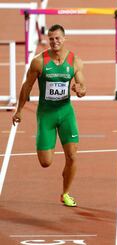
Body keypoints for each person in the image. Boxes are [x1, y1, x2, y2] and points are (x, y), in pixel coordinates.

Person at [12, 24, 86, 207]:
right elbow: (27, 86)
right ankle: (64, 168)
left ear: (64, 38)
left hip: (66, 113)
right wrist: (19, 110)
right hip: (46, 115)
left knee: (73, 157)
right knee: (46, 162)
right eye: (51, 38)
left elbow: (83, 87)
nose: (54, 42)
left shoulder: (75, 60)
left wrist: (80, 90)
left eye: (58, 38)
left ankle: (65, 193)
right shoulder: (39, 61)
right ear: (48, 39)